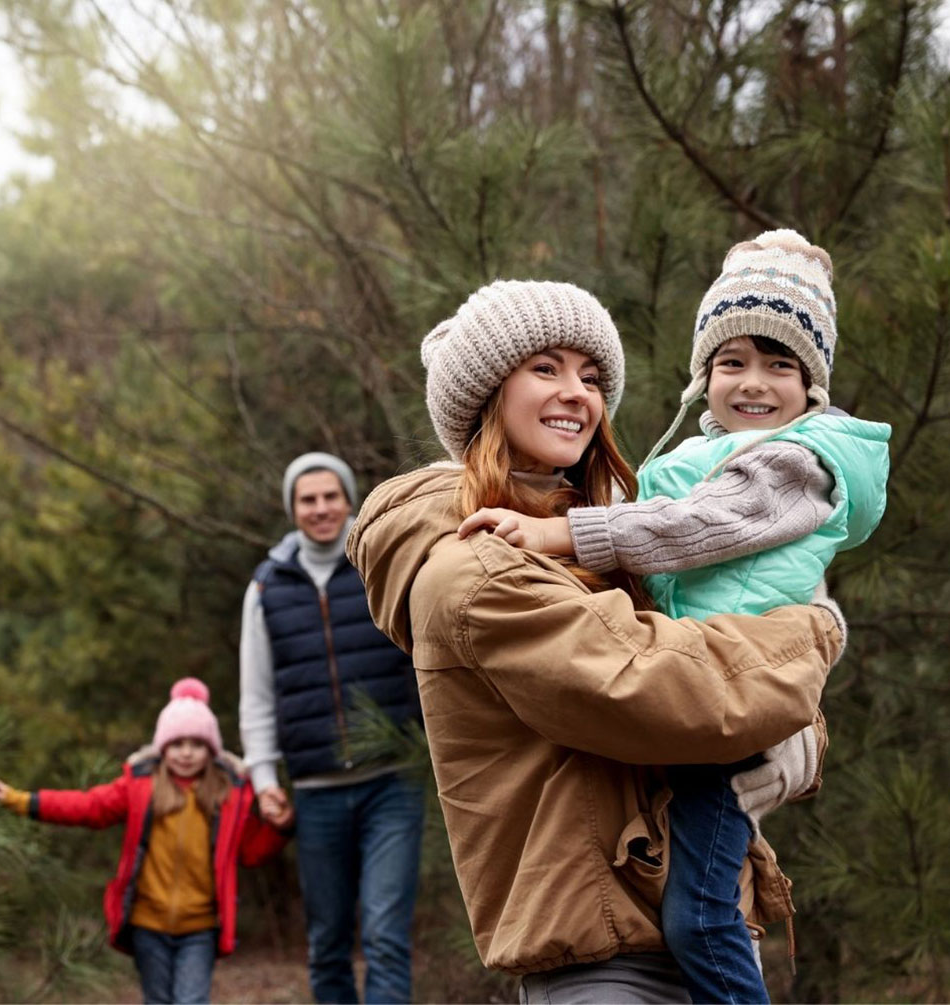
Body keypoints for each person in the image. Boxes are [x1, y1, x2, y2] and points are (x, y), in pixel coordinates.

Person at [345, 279, 846, 1003]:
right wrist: (816, 631)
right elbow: (662, 687)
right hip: (604, 958)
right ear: (486, 391)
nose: (577, 393)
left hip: (689, 930)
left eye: (591, 376)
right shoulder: (477, 569)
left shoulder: (595, 536)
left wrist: (801, 737)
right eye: (545, 368)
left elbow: (711, 659)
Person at [456, 233, 890, 1003]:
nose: (753, 383)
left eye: (780, 363)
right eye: (732, 362)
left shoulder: (794, 461)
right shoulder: (691, 460)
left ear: (813, 384)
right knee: (701, 912)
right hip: (663, 780)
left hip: (728, 734)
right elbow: (643, 541)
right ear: (702, 375)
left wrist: (565, 531)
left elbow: (694, 527)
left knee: (700, 918)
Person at [238, 451, 424, 1004]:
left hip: (394, 783)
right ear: (292, 508)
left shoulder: (380, 563)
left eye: (330, 496)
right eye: (307, 499)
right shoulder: (268, 587)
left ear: (348, 499)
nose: (320, 508)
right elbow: (257, 693)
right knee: (326, 943)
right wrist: (263, 777)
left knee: (386, 937)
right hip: (316, 792)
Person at [0, 678, 291, 1005]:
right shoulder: (140, 786)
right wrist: (22, 801)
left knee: (191, 1001)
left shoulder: (229, 796)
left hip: (200, 928)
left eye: (197, 744)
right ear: (163, 747)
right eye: (177, 744)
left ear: (211, 750)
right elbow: (89, 807)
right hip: (148, 923)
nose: (186, 753)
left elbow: (251, 852)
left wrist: (281, 827)